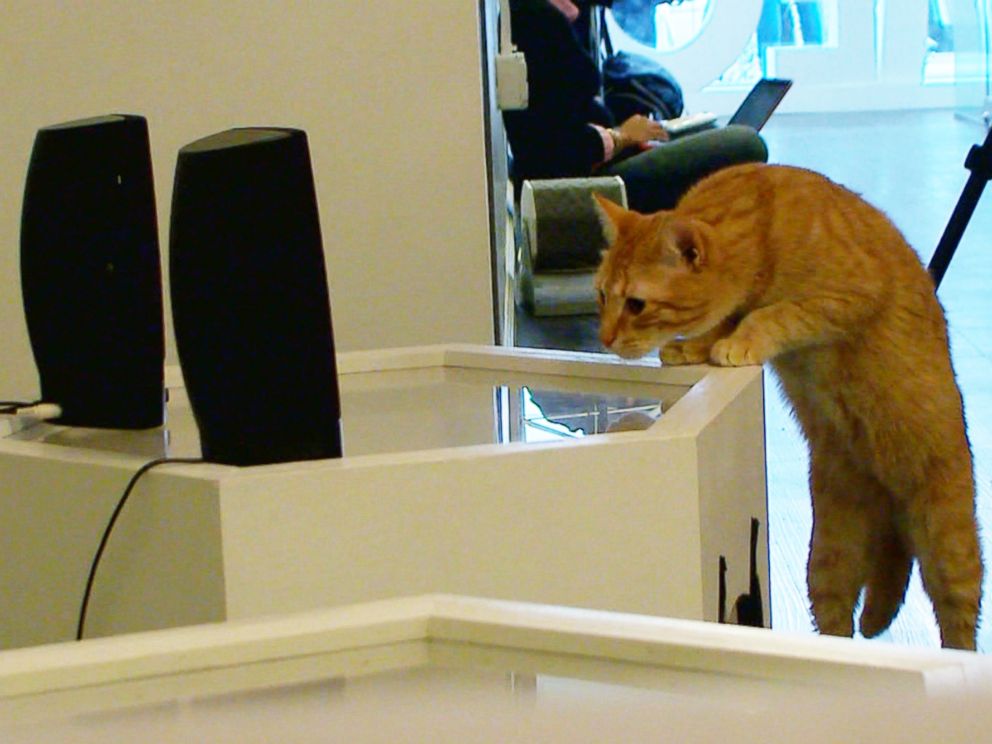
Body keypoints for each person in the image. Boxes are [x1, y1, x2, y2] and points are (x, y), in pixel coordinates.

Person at [503, 0, 769, 214]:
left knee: (706, 132)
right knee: (745, 143)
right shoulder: (535, 19)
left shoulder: (553, 16)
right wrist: (621, 137)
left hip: (595, 163)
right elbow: (551, 153)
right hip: (579, 186)